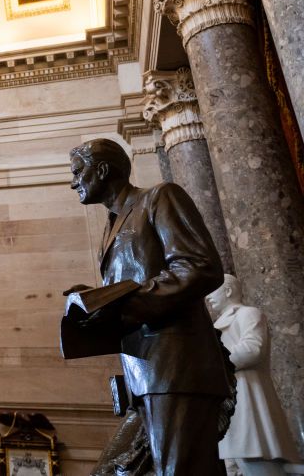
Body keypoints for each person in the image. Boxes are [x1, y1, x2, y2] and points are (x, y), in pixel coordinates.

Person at [67, 138, 229, 475]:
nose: (73, 182)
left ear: (102, 169)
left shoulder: (159, 197)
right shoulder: (111, 224)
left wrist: (124, 304)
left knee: (180, 469)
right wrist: (96, 301)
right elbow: (136, 280)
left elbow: (199, 266)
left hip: (175, 365)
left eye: (78, 172)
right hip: (142, 373)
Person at [207, 274, 300, 475]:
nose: (207, 297)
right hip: (226, 399)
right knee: (233, 462)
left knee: (254, 455)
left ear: (229, 291)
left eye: (212, 290)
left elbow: (253, 349)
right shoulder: (212, 327)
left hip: (247, 394)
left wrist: (214, 364)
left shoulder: (248, 314)